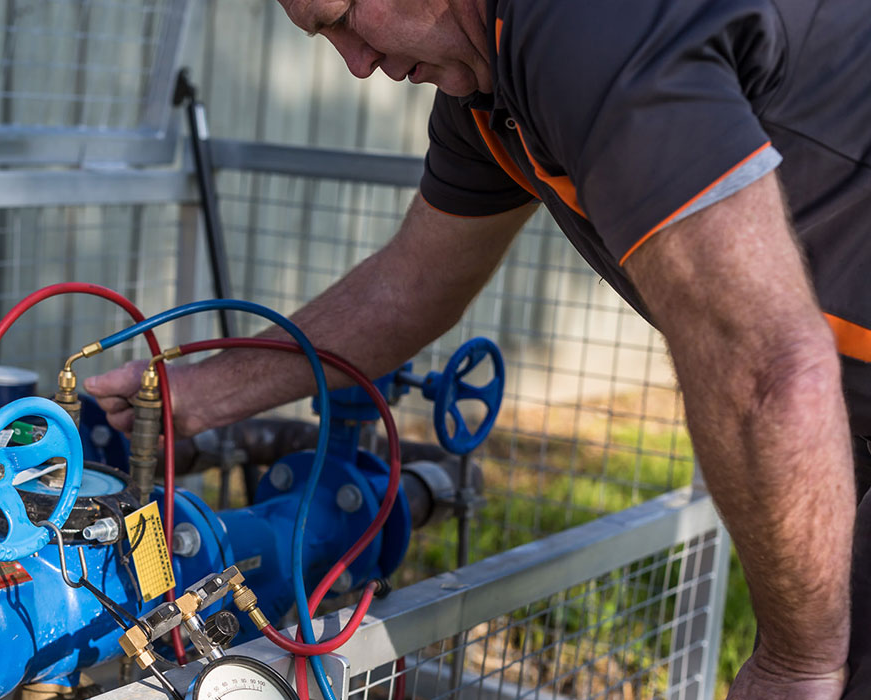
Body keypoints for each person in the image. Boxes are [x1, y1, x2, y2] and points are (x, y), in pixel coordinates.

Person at [86, 0, 871, 697]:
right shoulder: (487, 95)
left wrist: (795, 665)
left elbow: (767, 374)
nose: (357, 64)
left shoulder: (586, 26)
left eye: (344, 19)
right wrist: (189, 395)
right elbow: (409, 287)